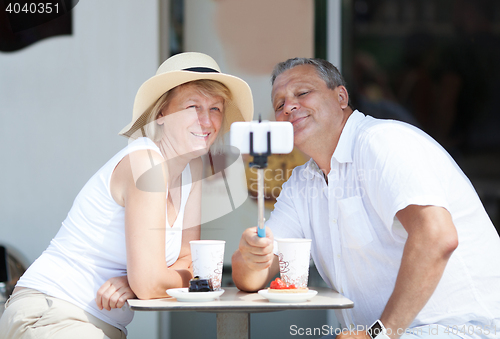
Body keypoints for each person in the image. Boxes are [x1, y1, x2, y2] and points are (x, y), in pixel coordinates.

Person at [232, 57, 500, 339]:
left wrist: (379, 334)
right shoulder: (302, 183)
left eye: (302, 93)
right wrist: (251, 257)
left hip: (461, 329)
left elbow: (437, 236)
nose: (289, 106)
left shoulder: (381, 141)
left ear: (341, 97)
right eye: (279, 104)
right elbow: (250, 277)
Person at [0, 52, 253, 339]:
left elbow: (191, 262)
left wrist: (143, 280)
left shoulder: (192, 170)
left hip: (100, 325)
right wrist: (147, 280)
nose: (206, 121)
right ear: (161, 114)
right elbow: (173, 278)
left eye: (215, 109)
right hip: (51, 312)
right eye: (192, 106)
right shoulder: (146, 162)